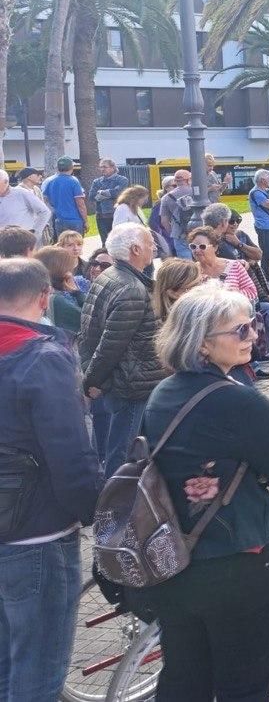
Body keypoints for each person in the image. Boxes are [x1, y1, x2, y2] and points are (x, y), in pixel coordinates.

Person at [137, 284, 269, 701]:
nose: (254, 335)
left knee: (184, 675)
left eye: (252, 326)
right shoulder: (238, 400)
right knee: (243, 681)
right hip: (236, 557)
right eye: (242, 330)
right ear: (203, 344)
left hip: (173, 555)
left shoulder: (164, 392)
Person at [0, 258, 100, 702]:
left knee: (8, 658)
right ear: (45, 298)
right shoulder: (42, 359)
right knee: (39, 665)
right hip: (38, 532)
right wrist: (95, 510)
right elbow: (72, 455)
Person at [79, 223, 166, 475]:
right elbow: (111, 344)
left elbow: (89, 330)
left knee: (117, 448)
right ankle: (113, 509)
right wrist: (91, 380)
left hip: (121, 381)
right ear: (136, 249)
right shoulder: (131, 288)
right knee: (123, 453)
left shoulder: (109, 276)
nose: (155, 247)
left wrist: (91, 373)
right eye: (150, 243)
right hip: (130, 384)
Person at [35, 245, 82, 333]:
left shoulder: (34, 292)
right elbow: (89, 319)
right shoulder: (55, 300)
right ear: (63, 271)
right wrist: (77, 292)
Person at [0, 169, 51, 237]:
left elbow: (45, 211)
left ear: (6, 182)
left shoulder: (21, 193)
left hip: (22, 240)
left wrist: (35, 232)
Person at [87, 159, 129, 241]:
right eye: (101, 167)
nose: (102, 169)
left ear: (113, 168)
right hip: (101, 216)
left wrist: (101, 192)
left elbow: (118, 193)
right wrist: (110, 193)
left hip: (116, 215)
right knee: (105, 242)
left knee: (118, 241)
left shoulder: (122, 180)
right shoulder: (96, 182)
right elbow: (91, 196)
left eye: (105, 167)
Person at [43, 157, 86, 236]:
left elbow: (46, 199)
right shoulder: (73, 181)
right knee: (75, 245)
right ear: (71, 167)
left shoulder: (50, 181)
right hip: (74, 219)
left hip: (59, 220)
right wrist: (85, 221)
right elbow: (80, 204)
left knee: (62, 245)